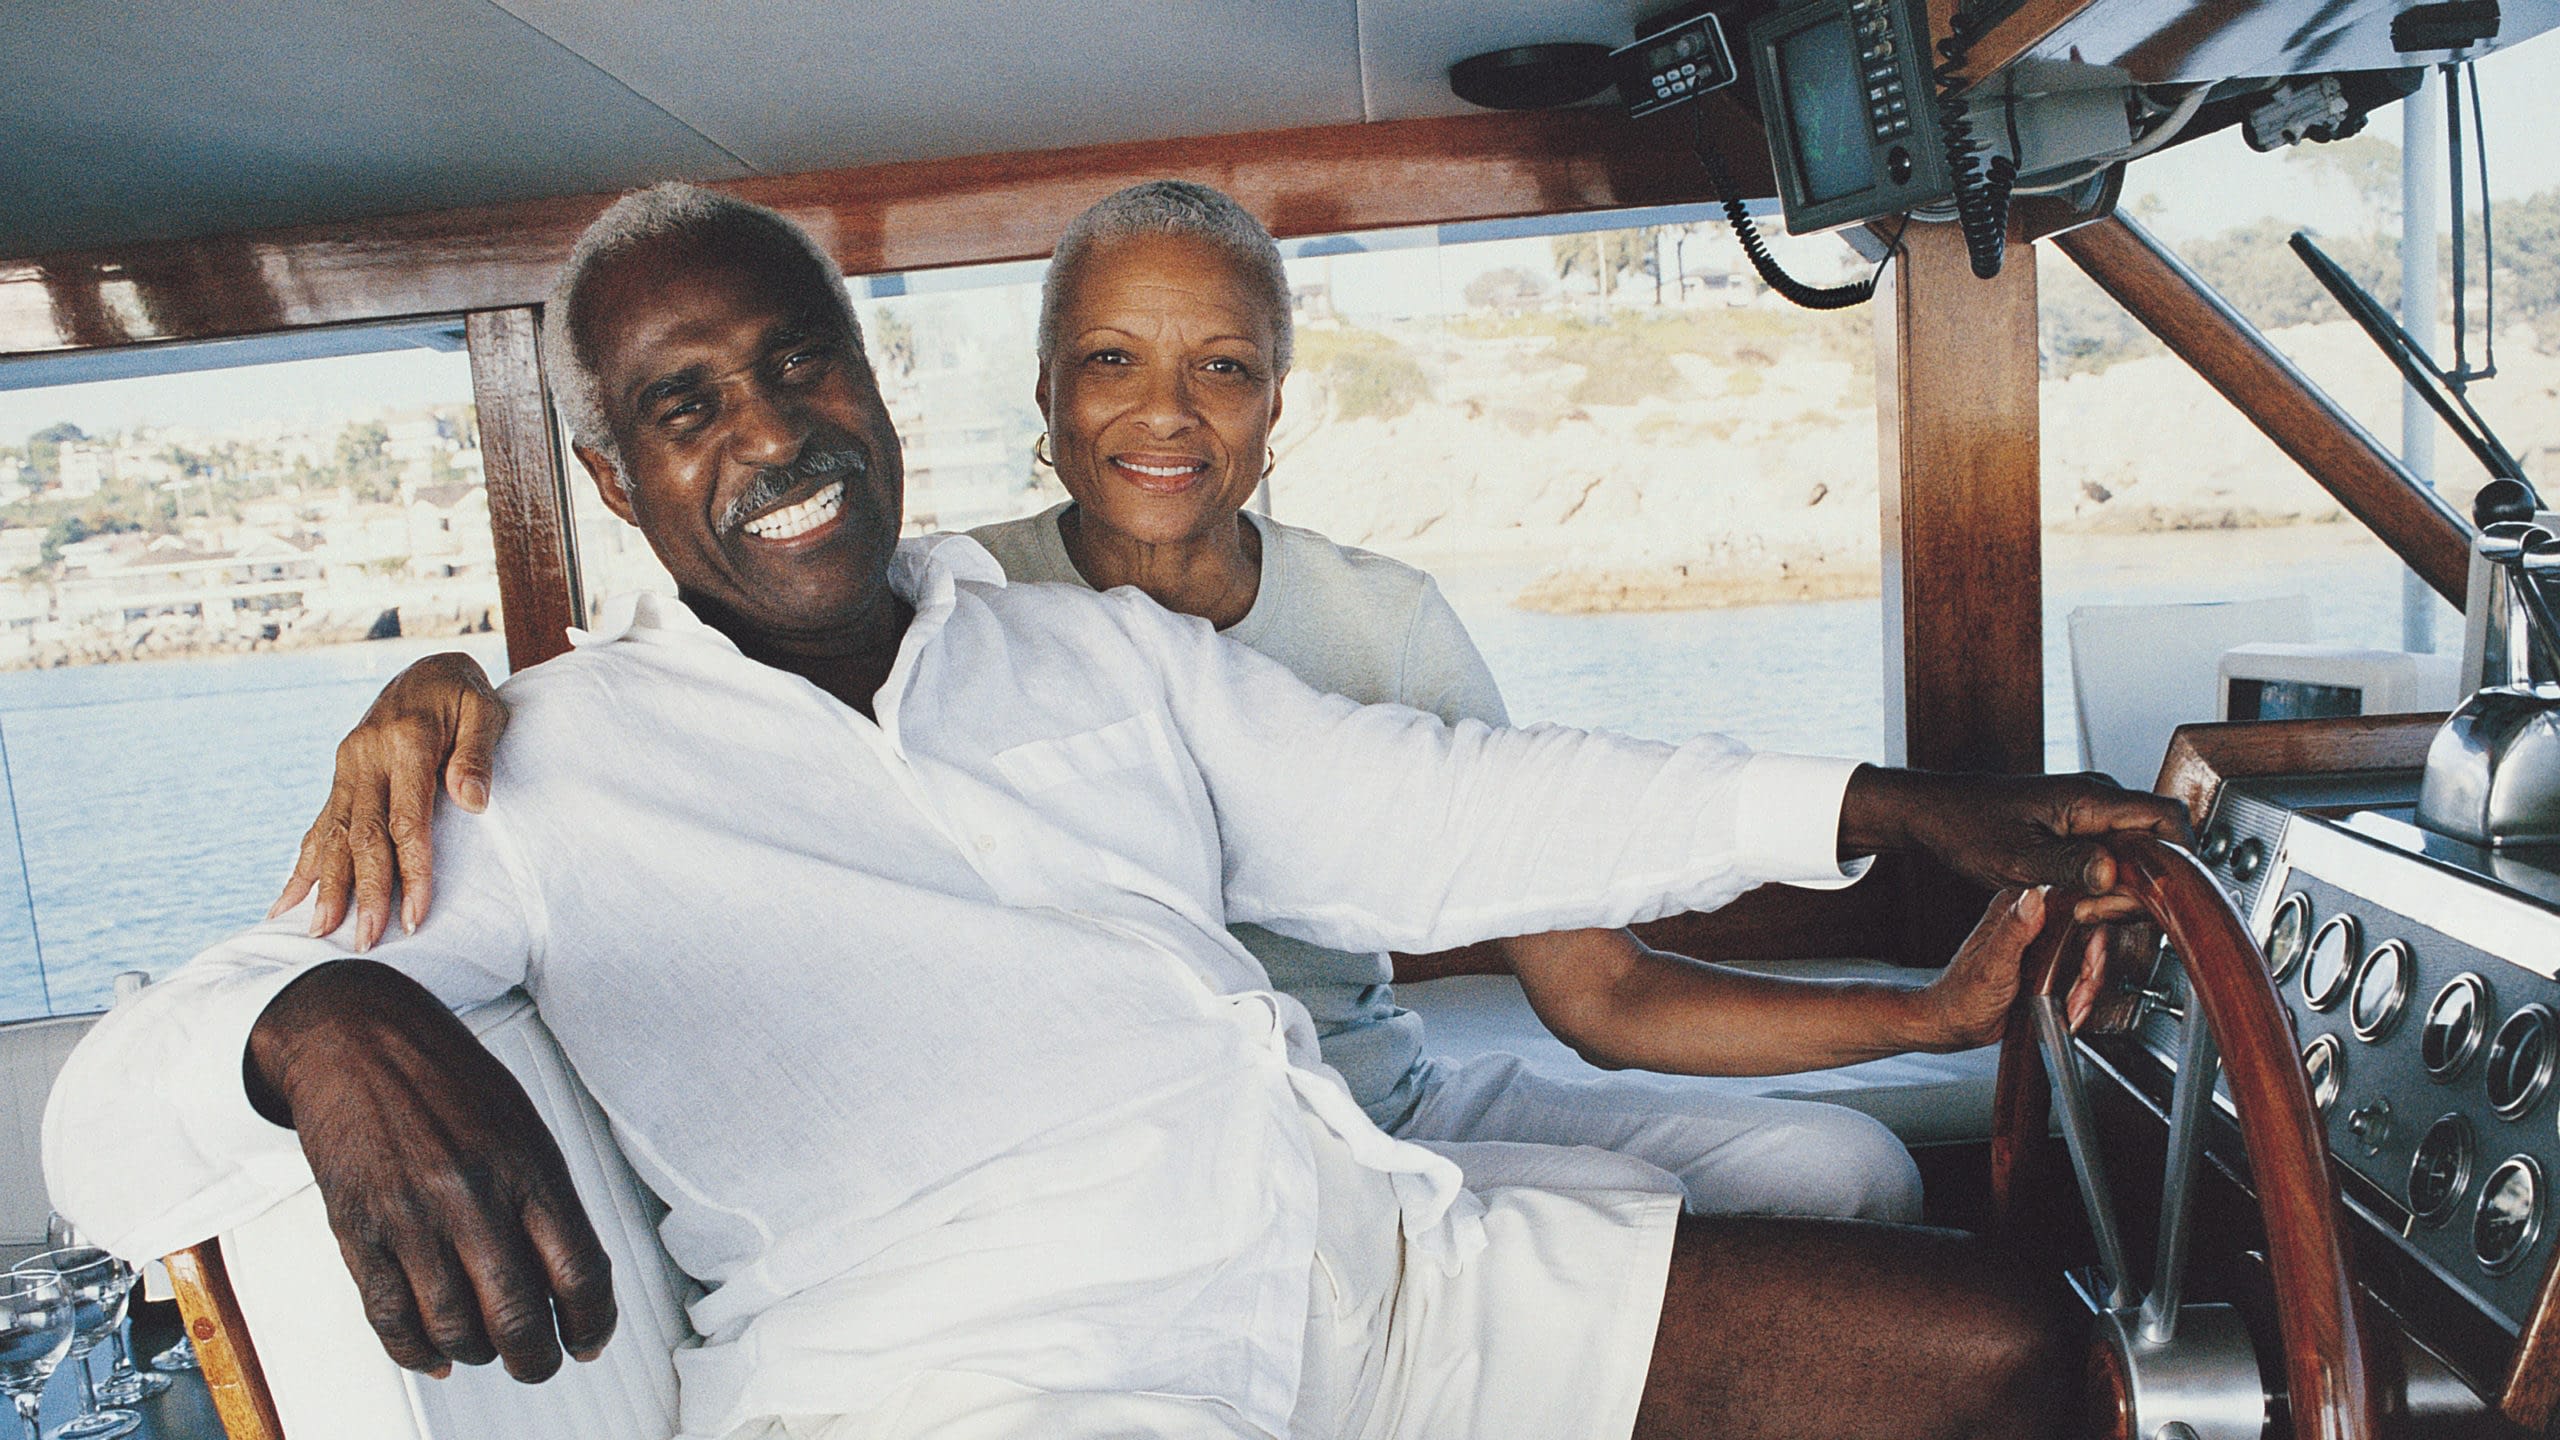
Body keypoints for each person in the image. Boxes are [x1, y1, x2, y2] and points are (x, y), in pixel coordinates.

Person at [51, 183, 2170, 1440]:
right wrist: (310, 1030)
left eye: (794, 370)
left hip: (1356, 1265)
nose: (767, 435)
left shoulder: (1089, 654)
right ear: (613, 484)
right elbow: (91, 1129)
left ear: (875, 389)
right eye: (685, 409)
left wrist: (1896, 802)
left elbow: (1457, 815)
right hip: (989, 1374)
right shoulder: (535, 770)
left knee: (2014, 1362)